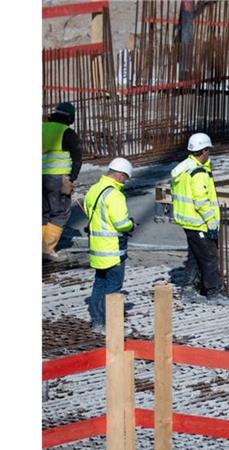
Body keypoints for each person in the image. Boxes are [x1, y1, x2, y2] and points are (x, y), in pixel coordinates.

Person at [170, 133, 229, 306]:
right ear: (204, 151)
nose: (209, 154)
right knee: (209, 257)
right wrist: (211, 221)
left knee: (195, 256)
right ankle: (215, 292)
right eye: (208, 150)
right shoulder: (198, 172)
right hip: (199, 221)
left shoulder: (185, 168)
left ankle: (189, 288)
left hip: (189, 221)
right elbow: (201, 201)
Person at [83, 158, 135, 334]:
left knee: (99, 284)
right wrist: (131, 225)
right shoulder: (114, 195)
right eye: (125, 177)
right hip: (113, 249)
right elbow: (121, 223)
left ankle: (98, 322)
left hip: (98, 248)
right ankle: (111, 327)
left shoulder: (94, 189)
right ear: (119, 175)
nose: (125, 181)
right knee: (113, 288)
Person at [43, 101, 82, 262]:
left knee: (43, 212)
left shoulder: (40, 128)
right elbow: (77, 159)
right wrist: (71, 178)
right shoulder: (67, 133)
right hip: (57, 179)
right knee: (60, 213)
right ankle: (46, 248)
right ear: (70, 118)